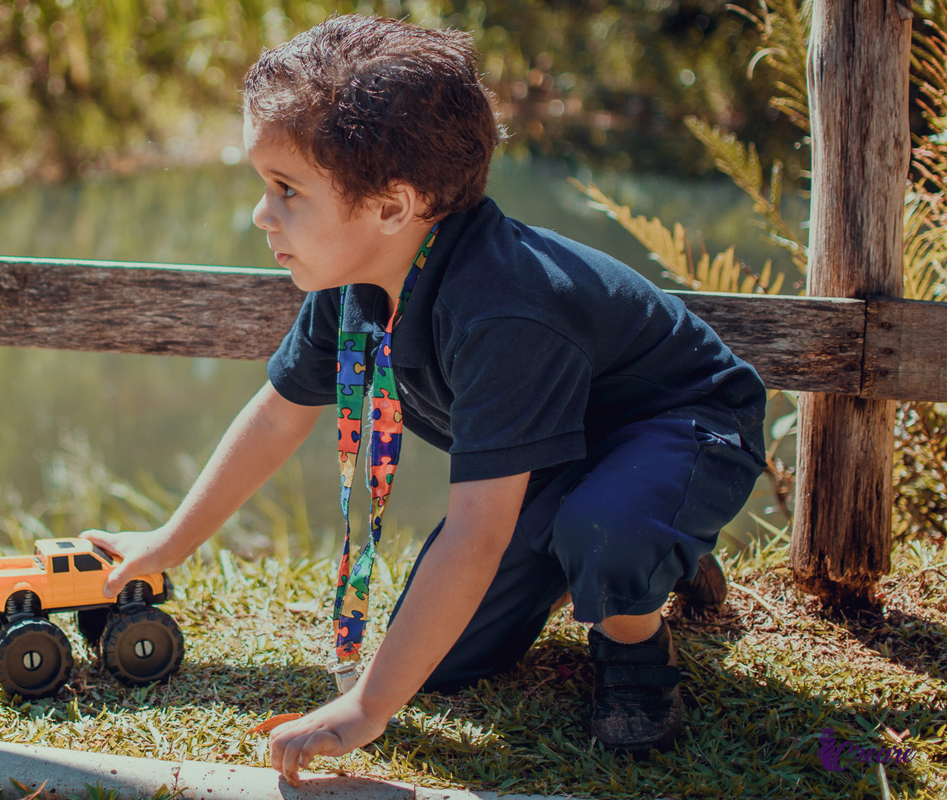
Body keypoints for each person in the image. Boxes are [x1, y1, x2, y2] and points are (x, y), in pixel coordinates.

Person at [82, 13, 766, 785]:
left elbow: (475, 534)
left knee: (606, 531)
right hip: (561, 453)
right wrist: (169, 541)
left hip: (686, 426)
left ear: (391, 206)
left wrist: (368, 708)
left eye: (286, 190)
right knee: (451, 657)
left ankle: (636, 636)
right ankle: (640, 547)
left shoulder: (503, 310)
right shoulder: (357, 280)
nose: (259, 213)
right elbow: (279, 412)